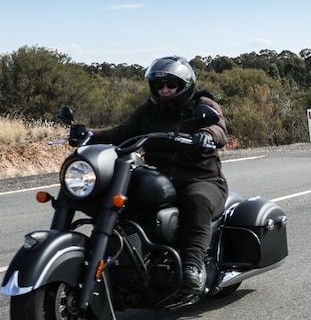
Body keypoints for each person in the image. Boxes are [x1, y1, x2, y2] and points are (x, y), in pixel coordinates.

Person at [86, 56, 229, 295]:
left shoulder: (202, 103)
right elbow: (121, 132)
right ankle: (124, 261)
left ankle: (193, 267)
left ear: (184, 85)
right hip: (160, 178)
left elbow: (219, 127)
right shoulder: (148, 110)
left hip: (201, 179)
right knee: (121, 197)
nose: (164, 90)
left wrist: (207, 134)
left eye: (170, 85)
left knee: (197, 200)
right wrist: (89, 136)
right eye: (159, 86)